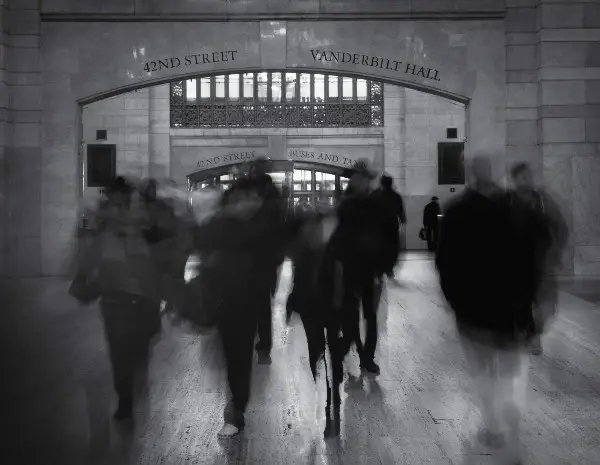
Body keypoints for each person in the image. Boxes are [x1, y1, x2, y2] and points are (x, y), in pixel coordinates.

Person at [436, 156, 537, 465]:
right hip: (509, 306)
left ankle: (493, 424)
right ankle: (508, 425)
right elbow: (529, 257)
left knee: (482, 369)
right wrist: (528, 301)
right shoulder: (514, 209)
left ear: (470, 176)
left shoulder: (456, 212)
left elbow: (445, 260)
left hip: (472, 305)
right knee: (509, 370)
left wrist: (453, 298)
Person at [194, 177, 283, 437]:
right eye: (247, 198)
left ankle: (237, 408)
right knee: (233, 355)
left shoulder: (257, 227)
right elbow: (202, 252)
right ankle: (236, 402)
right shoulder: (222, 225)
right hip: (226, 300)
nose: (251, 203)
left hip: (244, 301)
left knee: (239, 356)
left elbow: (273, 257)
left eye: (255, 199)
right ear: (234, 199)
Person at [75, 177, 162, 421]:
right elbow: (89, 253)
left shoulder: (143, 220)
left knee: (133, 344)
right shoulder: (104, 225)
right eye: (114, 198)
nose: (118, 205)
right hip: (117, 293)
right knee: (120, 347)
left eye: (121, 198)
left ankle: (128, 388)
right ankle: (125, 395)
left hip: (138, 293)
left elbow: (159, 252)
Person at [509, 162, 568, 356]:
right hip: (517, 261)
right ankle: (530, 335)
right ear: (515, 179)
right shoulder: (508, 202)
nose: (527, 179)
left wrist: (556, 252)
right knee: (522, 300)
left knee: (545, 304)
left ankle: (532, 332)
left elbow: (560, 226)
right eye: (523, 176)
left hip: (540, 260)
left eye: (529, 175)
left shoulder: (542, 200)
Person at [331, 159, 383, 375]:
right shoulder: (346, 204)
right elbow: (338, 238)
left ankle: (365, 356)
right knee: (351, 315)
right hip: (351, 268)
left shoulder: (373, 203)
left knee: (370, 316)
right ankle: (356, 351)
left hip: (369, 268)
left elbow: (383, 236)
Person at [245, 159, 287, 365]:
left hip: (257, 257)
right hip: (263, 258)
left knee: (256, 302)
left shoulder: (255, 197)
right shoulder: (272, 195)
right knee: (261, 303)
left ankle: (261, 343)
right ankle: (263, 345)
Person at [371, 174, 407, 278]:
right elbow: (400, 211)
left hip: (377, 226)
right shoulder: (395, 196)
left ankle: (379, 269)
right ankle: (389, 268)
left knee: (379, 248)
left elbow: (368, 210)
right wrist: (403, 221)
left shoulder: (375, 195)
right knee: (392, 248)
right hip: (391, 225)